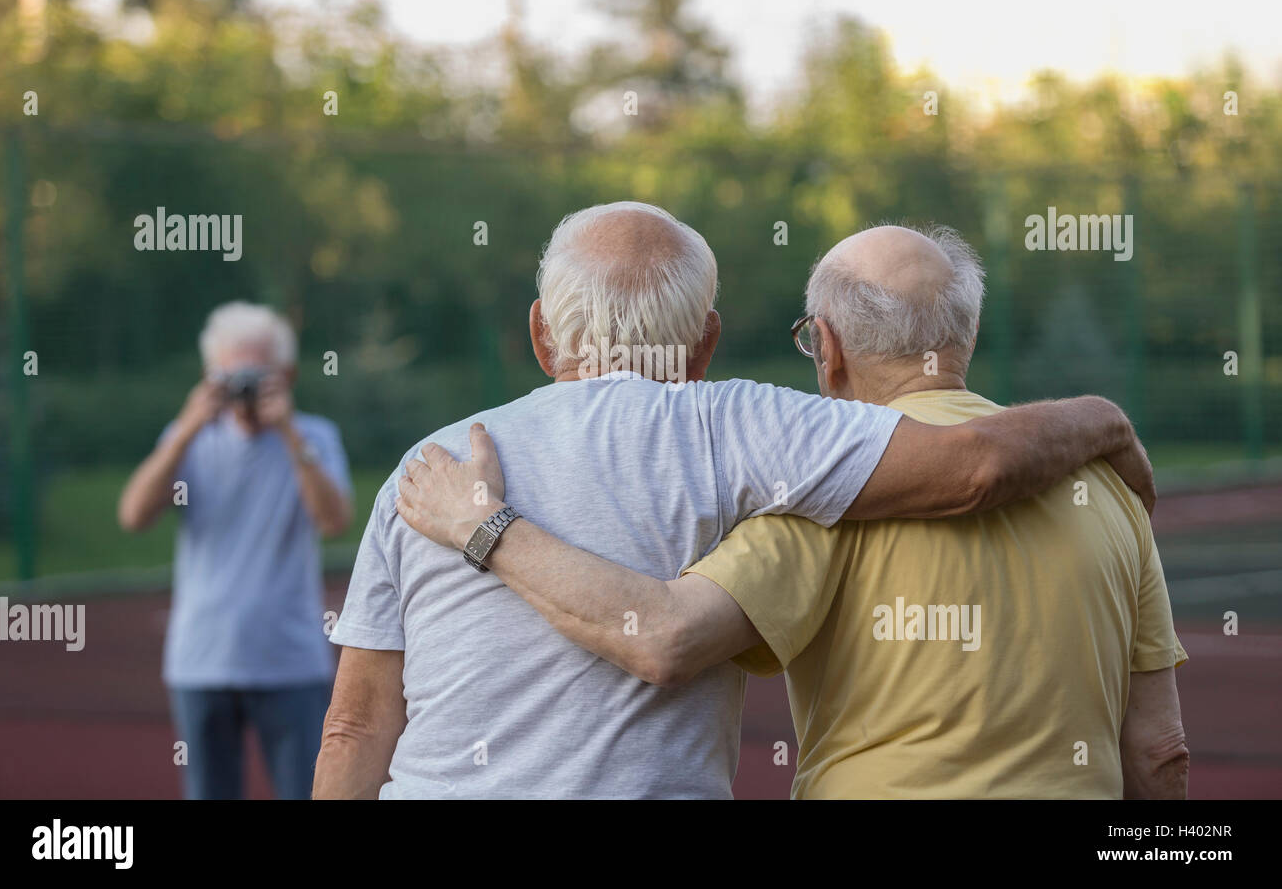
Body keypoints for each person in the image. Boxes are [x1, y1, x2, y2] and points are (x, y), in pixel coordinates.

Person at [316, 202, 1152, 799]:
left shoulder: (423, 475)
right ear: (707, 342)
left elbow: (354, 731)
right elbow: (974, 465)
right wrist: (1105, 420)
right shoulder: (749, 428)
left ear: (542, 334)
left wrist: (483, 526)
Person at [118, 301, 353, 799]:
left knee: (306, 791)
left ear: (286, 374)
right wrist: (185, 428)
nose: (242, 388)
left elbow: (334, 522)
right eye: (230, 375)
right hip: (202, 659)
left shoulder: (314, 437)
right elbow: (134, 515)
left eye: (256, 375)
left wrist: (289, 433)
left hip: (288, 659)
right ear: (208, 376)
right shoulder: (189, 442)